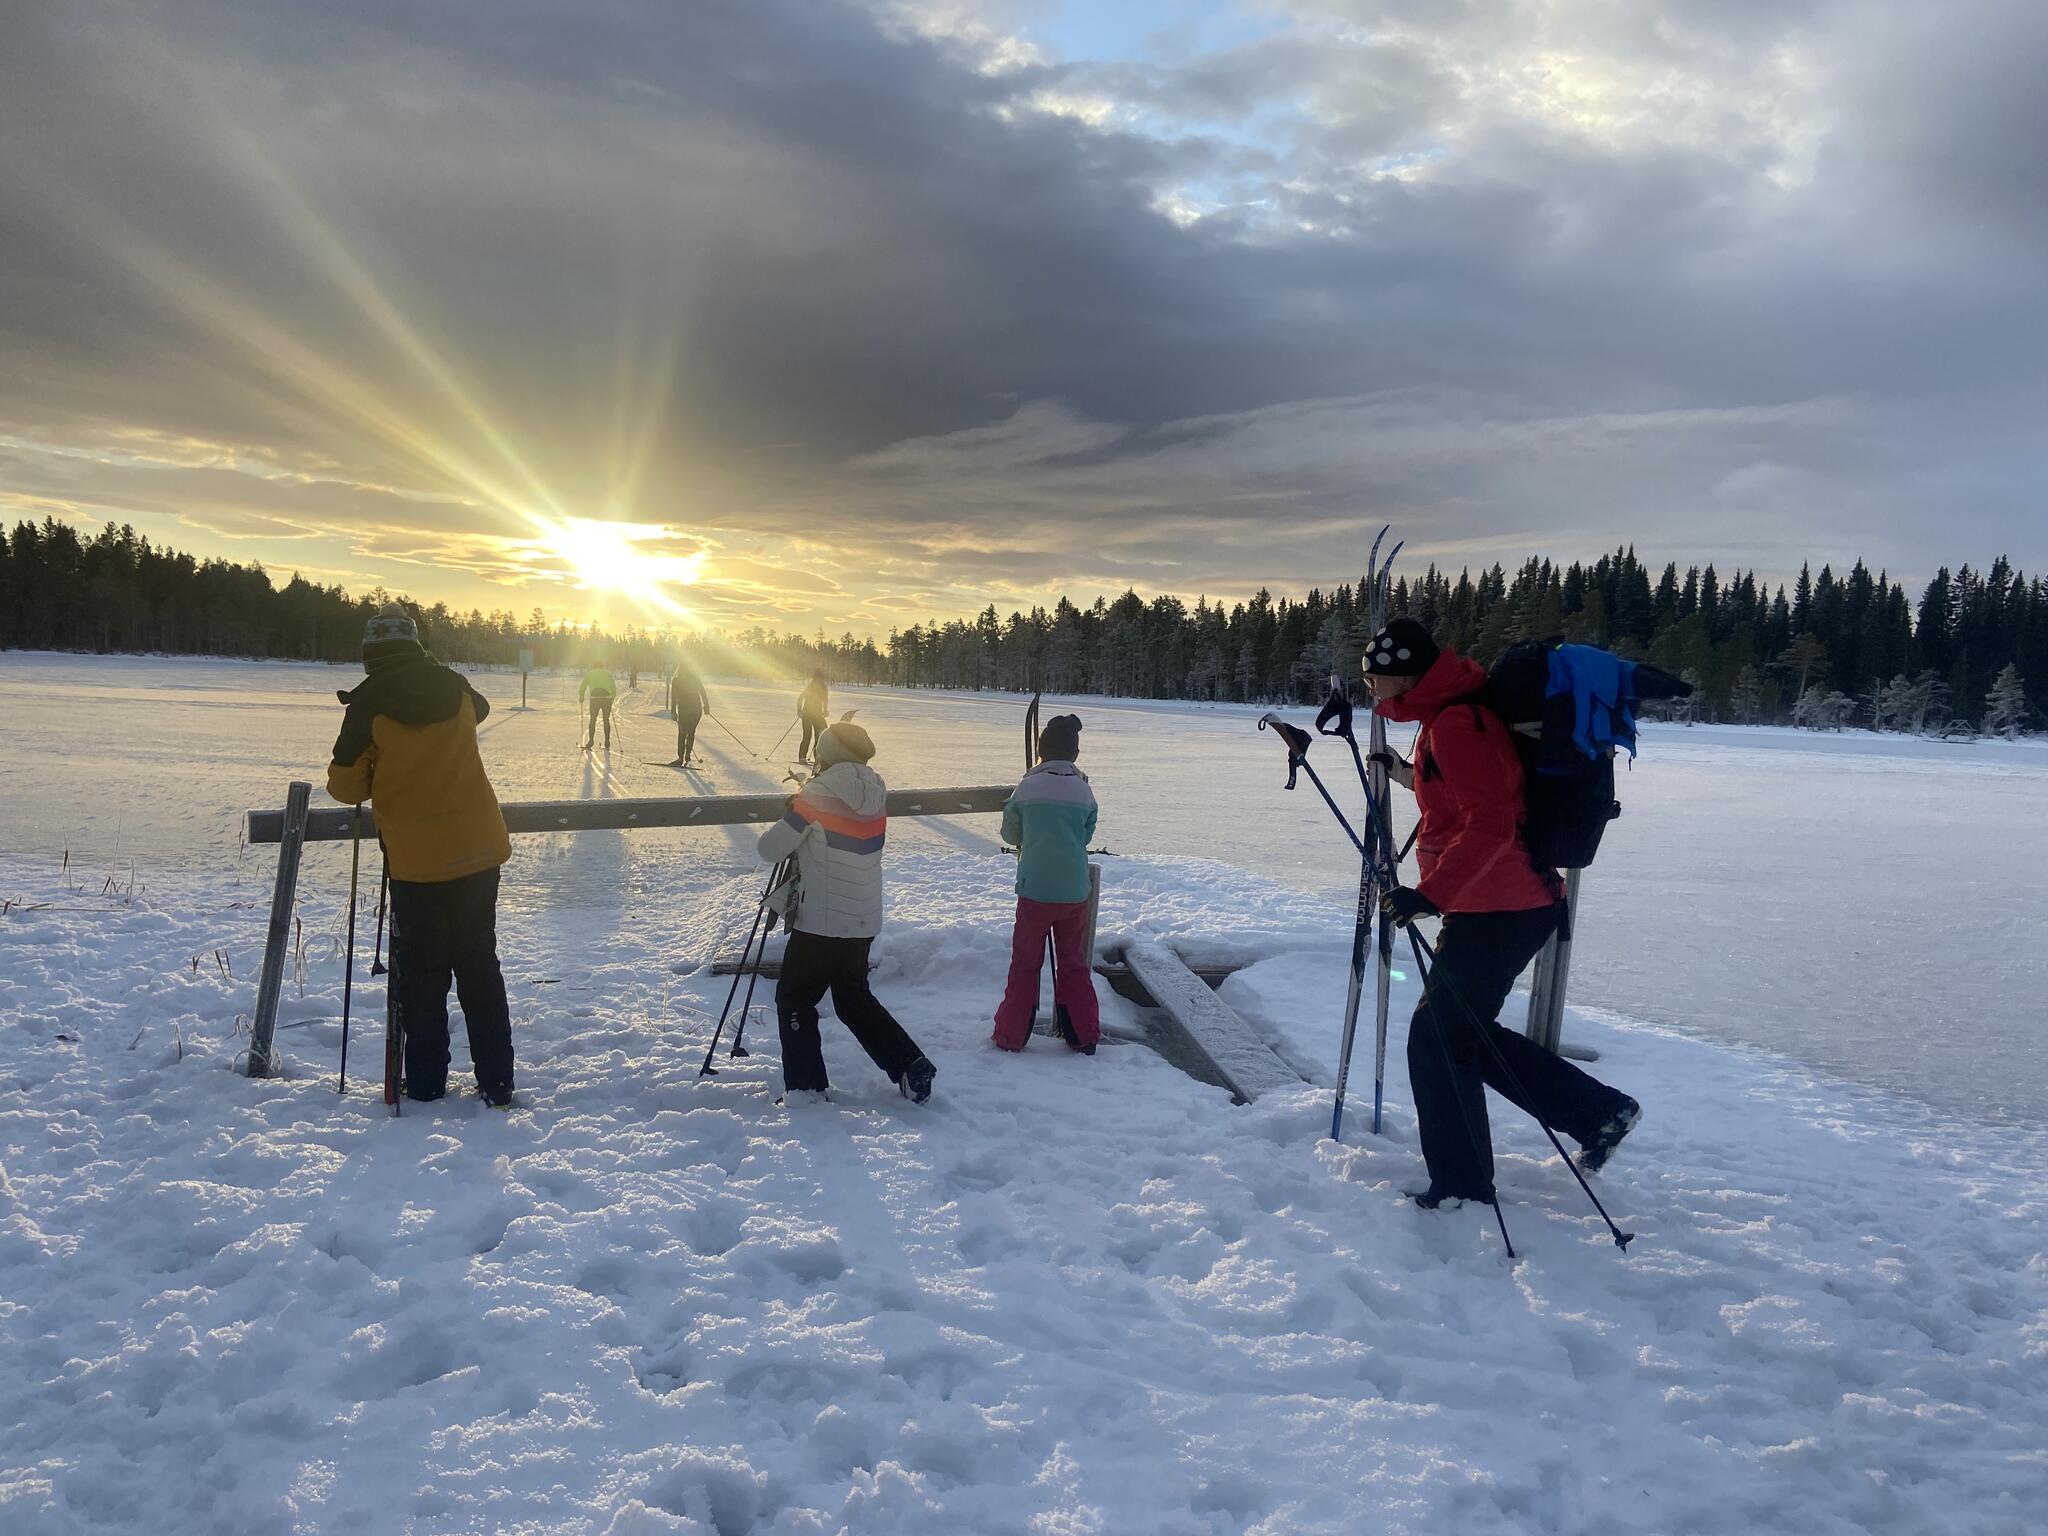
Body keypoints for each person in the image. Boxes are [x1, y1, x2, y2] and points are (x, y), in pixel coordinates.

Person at [1364, 617, 1640, 1210]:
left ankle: (1463, 1188)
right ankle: (1598, 1113)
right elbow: (1468, 794)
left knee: (1437, 1040)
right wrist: (1406, 775)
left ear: (1405, 676)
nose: (1370, 689)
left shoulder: (1457, 722)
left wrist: (1430, 893)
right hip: (1497, 902)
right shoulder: (1448, 715)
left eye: (1373, 678)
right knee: (1459, 1033)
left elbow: (1491, 823)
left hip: (1503, 905)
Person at [327, 604, 515, 1107]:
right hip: (479, 849)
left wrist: (382, 768)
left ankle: (428, 1083)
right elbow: (482, 710)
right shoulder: (454, 686)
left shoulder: (368, 703)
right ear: (416, 646)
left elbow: (345, 786)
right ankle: (498, 1080)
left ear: (370, 654)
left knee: (424, 973)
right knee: (479, 964)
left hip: (416, 863)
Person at [756, 719, 935, 1102]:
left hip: (821, 921)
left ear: (825, 755)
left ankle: (806, 1089)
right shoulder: (876, 791)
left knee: (795, 998)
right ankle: (910, 1064)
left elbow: (770, 849)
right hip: (862, 919)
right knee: (853, 999)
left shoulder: (816, 794)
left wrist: (794, 811)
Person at [992, 712, 1101, 1053]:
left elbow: (1010, 833)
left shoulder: (1027, 787)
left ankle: (1011, 1034)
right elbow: (1086, 835)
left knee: (1025, 964)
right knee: (1073, 964)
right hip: (1074, 891)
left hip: (1035, 890)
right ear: (1075, 752)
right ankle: (1083, 1034)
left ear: (1041, 750)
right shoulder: (1083, 790)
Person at [669, 655, 709, 765]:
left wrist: (673, 712)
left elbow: (673, 698)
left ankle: (680, 757)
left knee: (682, 733)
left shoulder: (676, 680)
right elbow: (702, 692)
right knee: (691, 732)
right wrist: (706, 706)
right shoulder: (695, 678)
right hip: (696, 710)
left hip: (684, 710)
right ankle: (687, 755)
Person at [579, 661, 617, 750]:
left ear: (594, 666)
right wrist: (611, 700)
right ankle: (607, 741)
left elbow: (583, 686)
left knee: (593, 719)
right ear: (602, 666)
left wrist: (581, 697)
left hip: (594, 699)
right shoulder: (608, 674)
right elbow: (614, 689)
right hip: (606, 699)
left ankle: (591, 741)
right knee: (606, 720)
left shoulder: (590, 674)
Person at [795, 671, 828, 764]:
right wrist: (799, 710)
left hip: (818, 715)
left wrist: (825, 710)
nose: (819, 680)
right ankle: (802, 757)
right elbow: (800, 698)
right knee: (807, 735)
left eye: (821, 678)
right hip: (807, 714)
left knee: (819, 736)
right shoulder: (809, 688)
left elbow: (825, 700)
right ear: (814, 678)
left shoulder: (824, 689)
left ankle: (818, 757)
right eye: (817, 678)